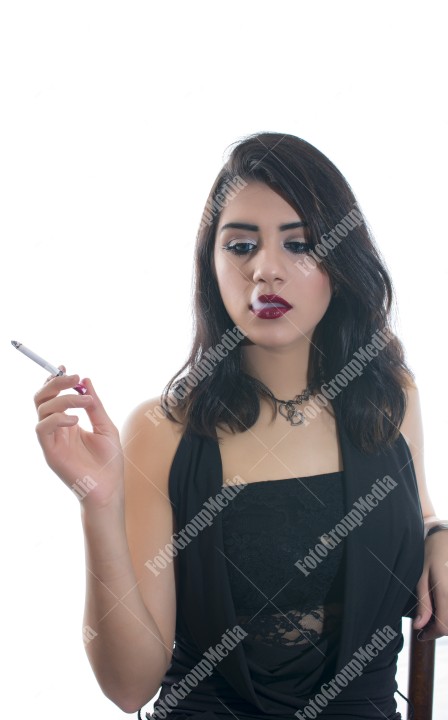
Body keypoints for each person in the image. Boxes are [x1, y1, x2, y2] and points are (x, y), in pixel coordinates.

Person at [33, 133, 448, 720]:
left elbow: (419, 510)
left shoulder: (390, 397)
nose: (266, 271)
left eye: (300, 243)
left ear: (341, 260)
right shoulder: (162, 432)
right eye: (241, 246)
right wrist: (97, 502)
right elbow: (129, 688)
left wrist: (439, 535)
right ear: (211, 265)